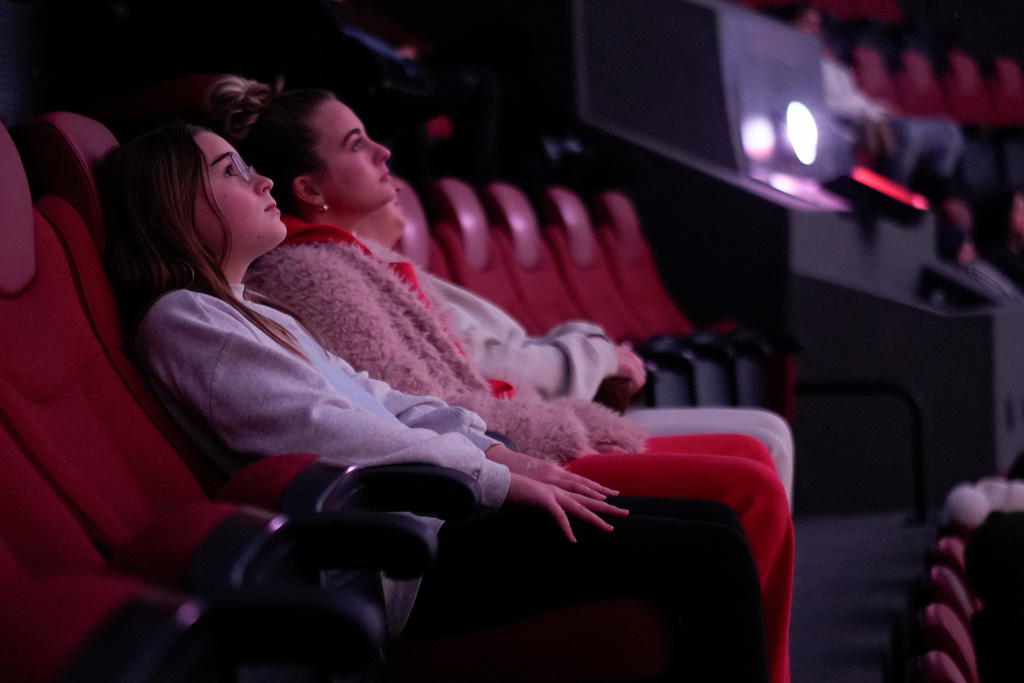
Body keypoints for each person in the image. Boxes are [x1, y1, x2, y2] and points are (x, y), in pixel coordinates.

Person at [95, 122, 773, 682]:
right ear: (175, 206)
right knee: (711, 553)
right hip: (398, 554)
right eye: (231, 172)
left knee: (714, 528)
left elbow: (385, 399)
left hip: (437, 513)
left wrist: (498, 451)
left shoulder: (248, 307)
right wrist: (496, 476)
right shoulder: (184, 319)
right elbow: (327, 434)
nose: (262, 180)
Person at [773, 3, 964, 191]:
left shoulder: (830, 64)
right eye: (806, 22)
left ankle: (937, 192)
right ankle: (895, 197)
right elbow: (825, 105)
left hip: (869, 115)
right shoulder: (795, 64)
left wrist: (878, 108)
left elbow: (854, 97)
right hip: (846, 126)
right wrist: (872, 113)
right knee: (907, 133)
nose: (813, 28)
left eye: (815, 24)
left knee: (950, 132)